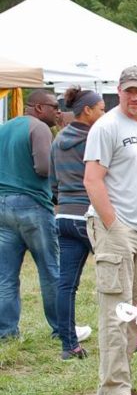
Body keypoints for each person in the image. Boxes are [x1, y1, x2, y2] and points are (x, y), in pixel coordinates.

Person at [83, 66, 137, 395]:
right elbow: (92, 180)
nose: (134, 97)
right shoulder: (106, 126)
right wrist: (113, 224)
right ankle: (114, 388)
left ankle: (121, 384)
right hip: (115, 228)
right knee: (115, 310)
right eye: (128, 91)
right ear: (118, 91)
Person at [0, 89, 62, 342]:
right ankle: (61, 329)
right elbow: (43, 167)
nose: (57, 111)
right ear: (37, 108)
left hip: (3, 206)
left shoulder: (4, 128)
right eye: (53, 106)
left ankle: (6, 332)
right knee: (49, 270)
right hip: (33, 205)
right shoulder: (39, 129)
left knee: (5, 275)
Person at [50, 86, 106, 359]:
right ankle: (136, 338)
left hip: (63, 216)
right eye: (101, 109)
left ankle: (69, 346)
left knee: (66, 284)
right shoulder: (96, 138)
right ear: (87, 110)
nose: (104, 113)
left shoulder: (58, 139)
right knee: (118, 277)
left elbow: (52, 183)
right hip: (90, 215)